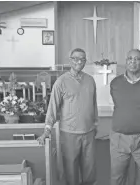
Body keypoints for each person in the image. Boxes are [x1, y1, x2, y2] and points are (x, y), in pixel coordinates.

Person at [37, 48, 98, 185]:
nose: (79, 61)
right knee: (70, 170)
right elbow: (52, 108)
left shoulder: (90, 80)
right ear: (70, 60)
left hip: (88, 132)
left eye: (82, 59)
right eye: (76, 58)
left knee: (90, 169)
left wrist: (95, 124)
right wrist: (47, 130)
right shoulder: (61, 82)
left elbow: (93, 104)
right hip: (70, 133)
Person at [110, 49, 140, 185]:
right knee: (117, 176)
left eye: (137, 59)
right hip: (119, 137)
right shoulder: (115, 83)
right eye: (130, 59)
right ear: (126, 62)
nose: (133, 61)